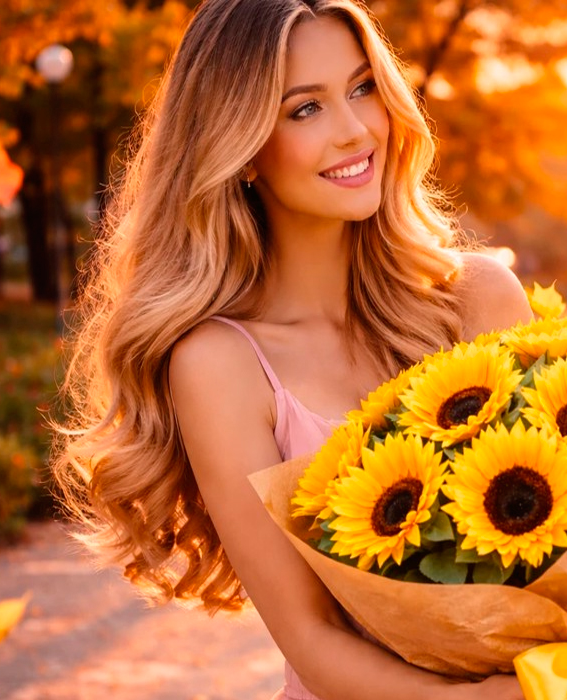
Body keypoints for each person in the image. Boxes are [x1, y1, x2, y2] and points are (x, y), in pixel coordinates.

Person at [46, 1, 532, 698]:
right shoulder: (221, 365)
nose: (355, 129)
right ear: (241, 149)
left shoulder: (479, 299)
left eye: (363, 88)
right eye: (305, 109)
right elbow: (310, 636)